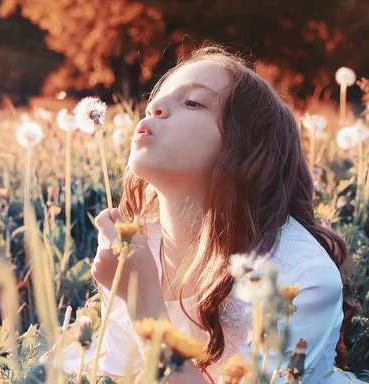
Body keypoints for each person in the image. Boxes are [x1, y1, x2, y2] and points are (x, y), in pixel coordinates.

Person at [63, 45, 363, 383]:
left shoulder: (299, 276)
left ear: (247, 149)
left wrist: (144, 302)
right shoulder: (141, 242)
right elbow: (119, 372)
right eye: (154, 103)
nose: (155, 107)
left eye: (192, 102)